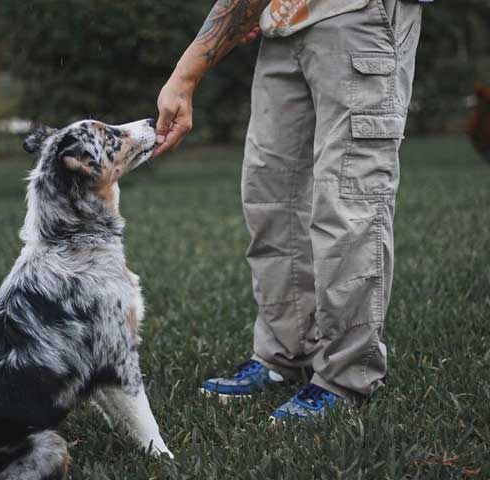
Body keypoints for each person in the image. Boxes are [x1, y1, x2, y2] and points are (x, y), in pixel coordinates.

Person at [154, 0, 427, 420]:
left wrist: (185, 74)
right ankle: (286, 353)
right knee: (271, 197)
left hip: (359, 15)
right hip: (284, 24)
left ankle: (346, 376)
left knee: (348, 201)